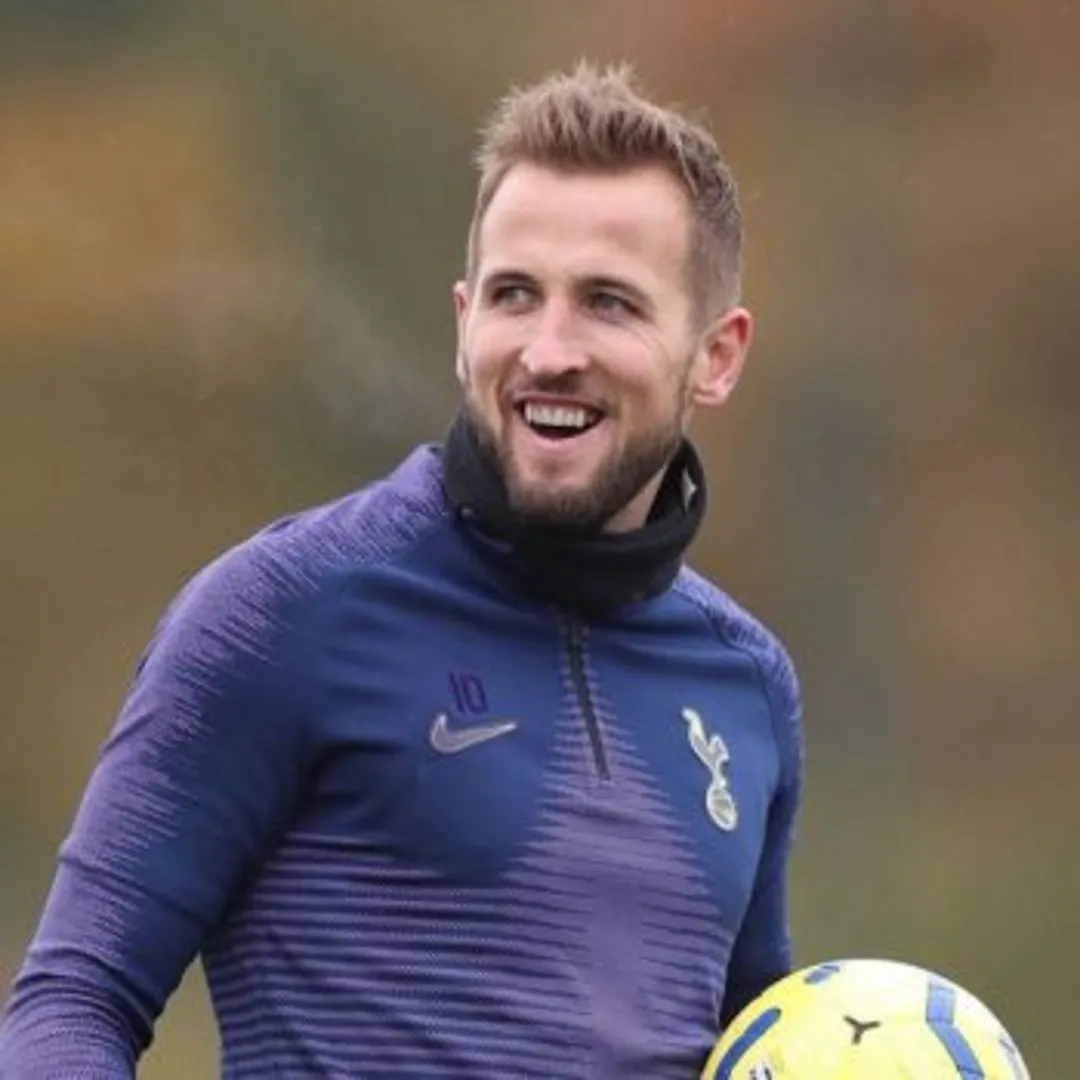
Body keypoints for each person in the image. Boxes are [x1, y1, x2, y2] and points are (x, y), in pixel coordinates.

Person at [0, 62, 803, 1078]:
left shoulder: (747, 684)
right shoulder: (280, 612)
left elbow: (766, 1048)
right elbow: (72, 1003)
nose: (548, 350)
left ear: (717, 356)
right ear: (464, 319)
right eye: (515, 295)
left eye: (608, 303)